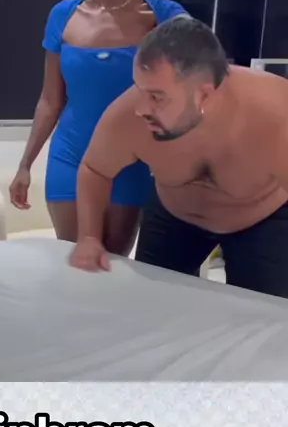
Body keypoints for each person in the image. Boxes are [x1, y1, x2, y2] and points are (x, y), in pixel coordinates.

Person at [9, 0, 188, 254]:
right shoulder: (63, 15)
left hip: (129, 160)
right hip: (70, 156)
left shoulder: (162, 15)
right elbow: (51, 100)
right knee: (73, 261)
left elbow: (197, 66)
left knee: (112, 266)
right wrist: (25, 165)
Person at [69, 16, 288, 299]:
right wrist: (88, 237)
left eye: (157, 97)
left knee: (263, 314)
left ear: (204, 95)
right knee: (151, 303)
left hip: (261, 220)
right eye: (139, 88)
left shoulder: (276, 117)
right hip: (174, 214)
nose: (140, 108)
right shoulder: (127, 117)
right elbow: (95, 169)